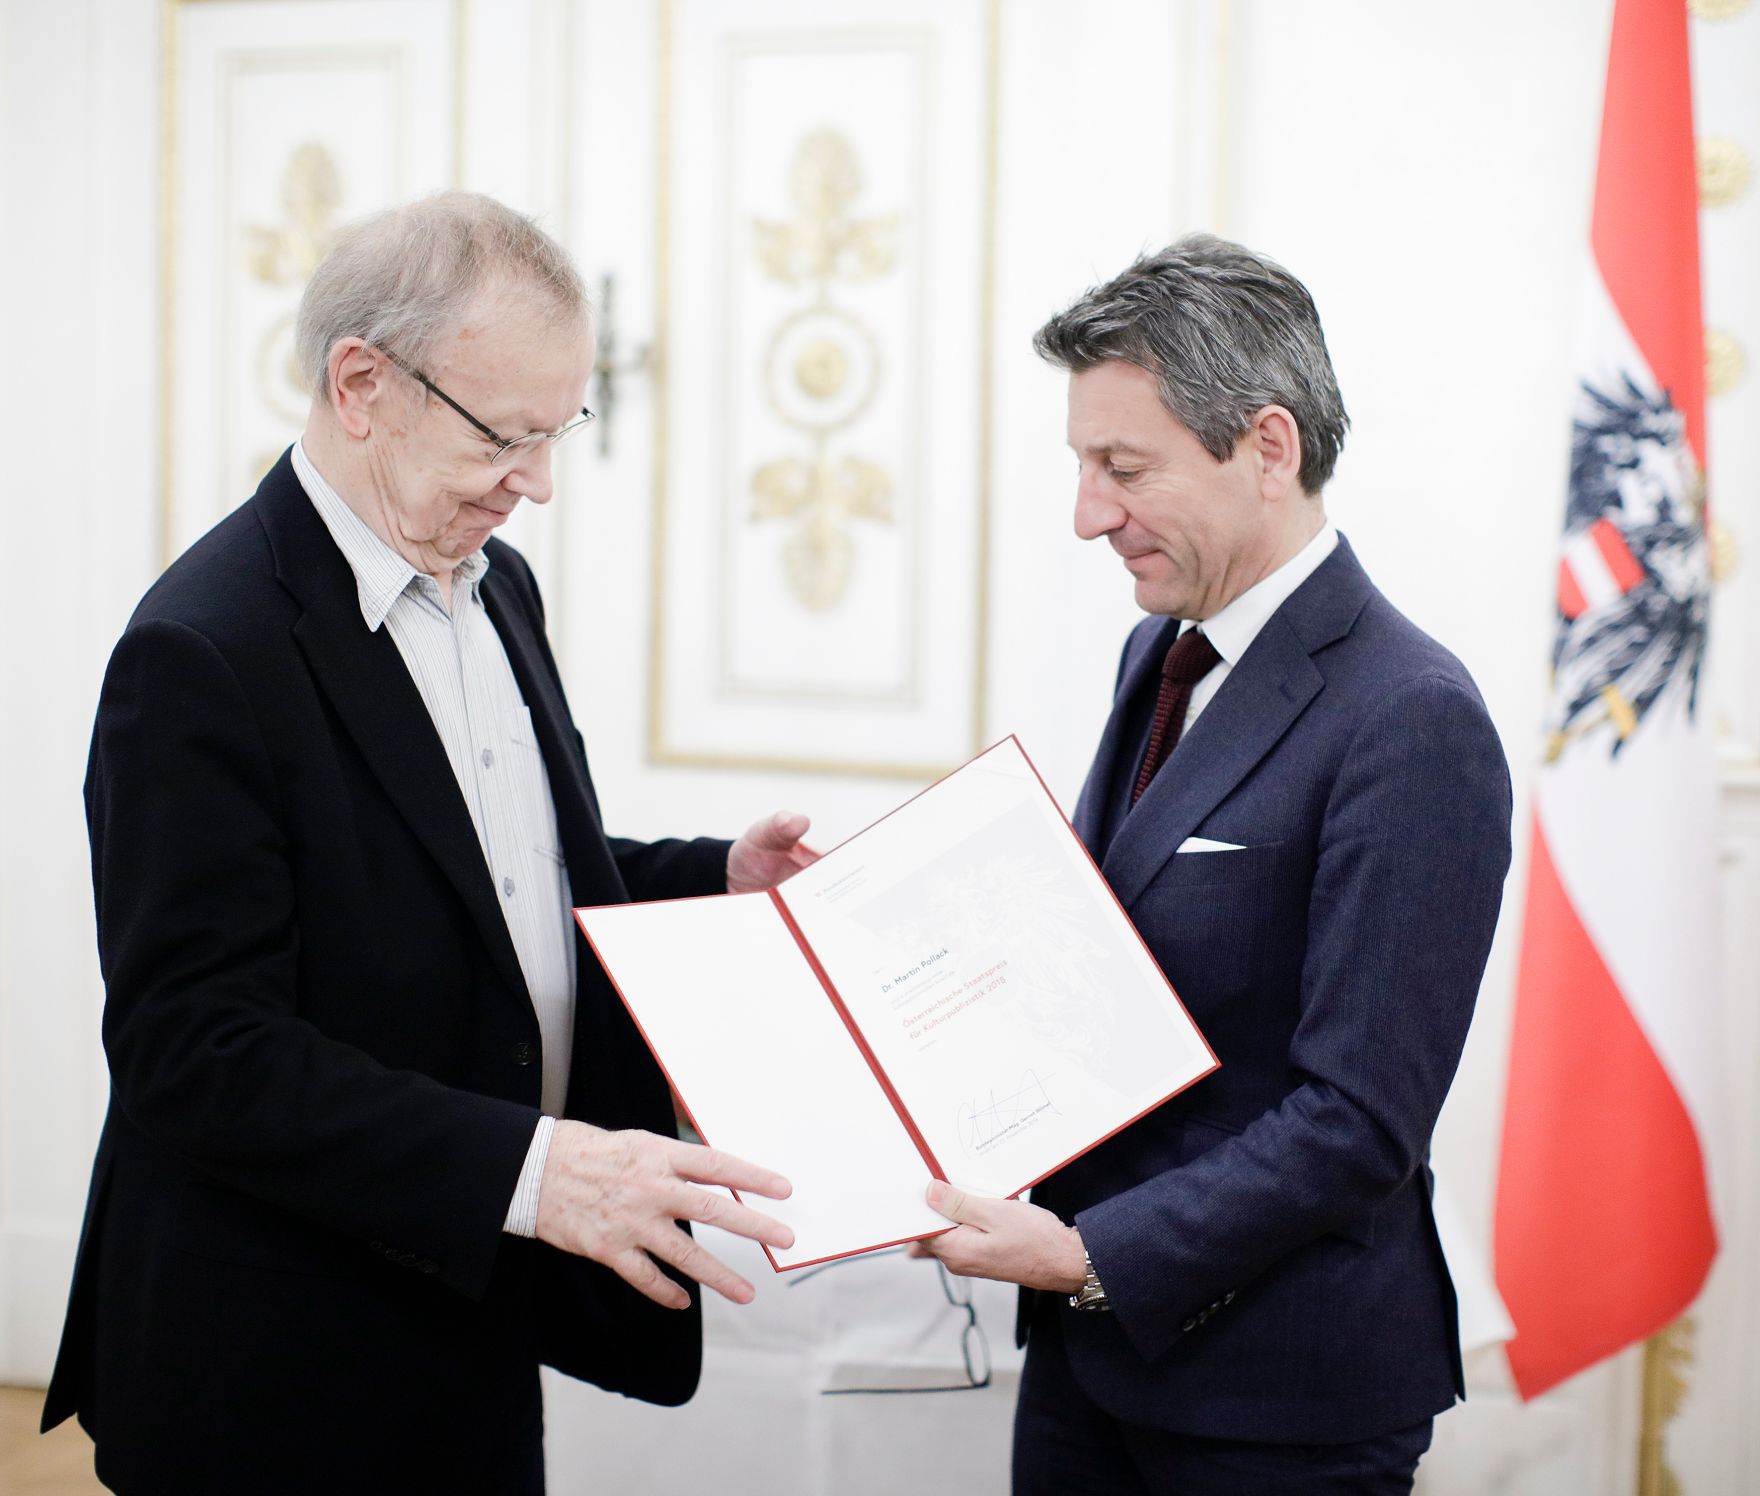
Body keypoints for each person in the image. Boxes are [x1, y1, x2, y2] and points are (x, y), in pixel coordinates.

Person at [42, 191, 810, 1494]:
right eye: (508, 436)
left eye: (558, 432)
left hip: (468, 1302)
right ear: (361, 384)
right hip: (276, 1356)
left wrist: (710, 874)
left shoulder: (493, 578)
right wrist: (535, 1167)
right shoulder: (200, 650)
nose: (539, 484)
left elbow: (491, 863)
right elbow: (195, 1049)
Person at [913, 235, 1513, 1494]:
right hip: (1093, 1361)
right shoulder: (1163, 653)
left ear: (1267, 447)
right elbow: (1106, 967)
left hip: (1272, 1401)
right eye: (1082, 466)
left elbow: (1356, 1122)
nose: (1088, 514)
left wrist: (1085, 1254)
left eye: (1120, 467)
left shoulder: (1412, 718)